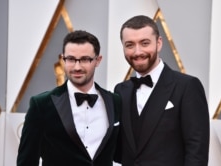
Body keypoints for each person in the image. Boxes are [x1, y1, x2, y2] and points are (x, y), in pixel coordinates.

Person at [114, 15, 209, 166]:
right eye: (130, 45)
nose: (137, 52)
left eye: (145, 43)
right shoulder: (120, 90)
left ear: (159, 43)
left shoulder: (187, 86)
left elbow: (197, 150)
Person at [17, 30, 121, 166]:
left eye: (85, 59)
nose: (77, 67)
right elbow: (27, 161)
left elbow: (122, 153)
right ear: (63, 59)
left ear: (97, 60)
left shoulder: (115, 102)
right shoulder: (41, 105)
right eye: (71, 59)